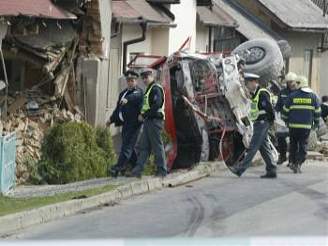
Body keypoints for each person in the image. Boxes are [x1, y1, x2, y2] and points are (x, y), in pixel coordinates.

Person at [230, 73, 277, 178]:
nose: (246, 86)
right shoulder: (255, 94)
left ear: (254, 82)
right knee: (264, 147)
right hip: (259, 123)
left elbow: (269, 109)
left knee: (253, 147)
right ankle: (271, 169)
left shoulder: (262, 93)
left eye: (247, 83)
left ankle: (240, 169)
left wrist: (270, 122)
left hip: (262, 122)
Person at [130, 68, 167, 178]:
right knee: (144, 147)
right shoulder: (150, 89)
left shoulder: (155, 89)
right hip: (149, 121)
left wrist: (144, 115)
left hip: (155, 121)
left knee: (157, 146)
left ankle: (162, 171)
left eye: (146, 77)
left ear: (152, 77)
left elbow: (156, 105)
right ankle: (137, 170)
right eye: (143, 78)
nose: (145, 80)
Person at [107, 70, 143, 177]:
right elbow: (118, 109)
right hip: (125, 124)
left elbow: (135, 97)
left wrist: (127, 99)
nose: (130, 82)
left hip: (134, 124)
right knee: (129, 146)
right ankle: (137, 167)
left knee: (126, 146)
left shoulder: (138, 92)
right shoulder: (123, 93)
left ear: (136, 81)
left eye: (132, 80)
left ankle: (118, 166)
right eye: (128, 81)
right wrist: (111, 119)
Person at [282, 76, 321, 173]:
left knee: (293, 145)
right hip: (305, 127)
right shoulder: (313, 97)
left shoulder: (292, 96)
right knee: (303, 145)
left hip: (293, 126)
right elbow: (317, 113)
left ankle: (292, 162)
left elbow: (285, 112)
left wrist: (286, 121)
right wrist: (316, 124)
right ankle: (298, 163)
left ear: (299, 84)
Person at [275, 72, 298, 165]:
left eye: (291, 81)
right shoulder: (283, 92)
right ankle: (282, 156)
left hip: (295, 119)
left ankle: (292, 160)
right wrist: (276, 114)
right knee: (280, 137)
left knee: (294, 140)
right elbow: (278, 105)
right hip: (283, 119)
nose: (290, 83)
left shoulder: (299, 92)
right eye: (288, 82)